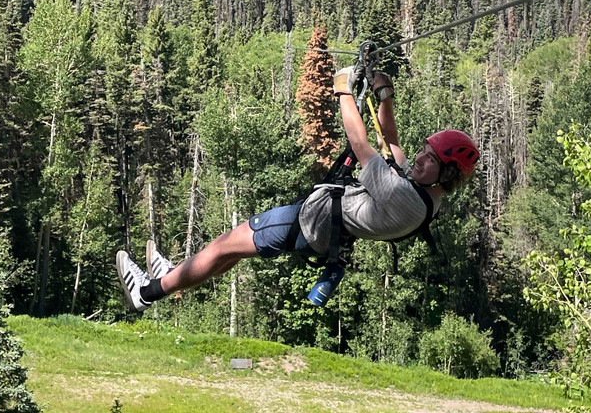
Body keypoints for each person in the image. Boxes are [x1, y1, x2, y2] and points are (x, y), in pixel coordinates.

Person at [115, 65, 480, 312]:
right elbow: (392, 140)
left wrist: (342, 89)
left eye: (430, 158)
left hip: (309, 222)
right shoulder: (422, 194)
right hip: (323, 228)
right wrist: (385, 96)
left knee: (223, 245)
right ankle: (172, 276)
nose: (419, 158)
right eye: (425, 151)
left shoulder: (403, 197)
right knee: (231, 254)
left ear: (446, 174)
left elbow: (361, 143)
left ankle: (146, 292)